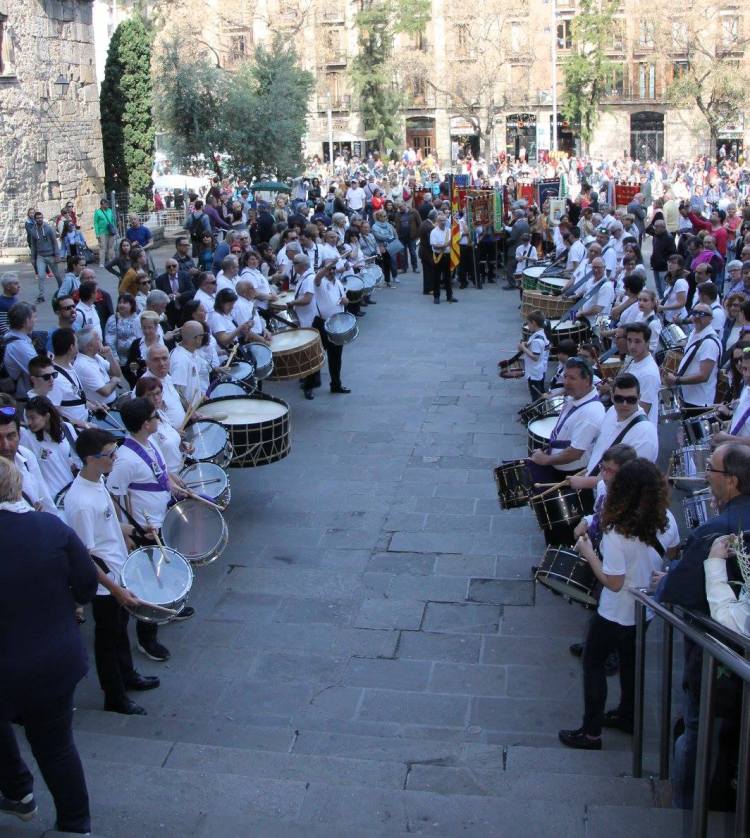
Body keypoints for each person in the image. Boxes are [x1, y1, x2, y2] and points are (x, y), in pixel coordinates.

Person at [0, 458, 97, 833]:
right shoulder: (48, 526)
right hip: (54, 660)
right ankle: (76, 823)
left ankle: (17, 787)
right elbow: (86, 583)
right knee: (56, 747)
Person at [658, 444, 750, 807]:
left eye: (710, 470)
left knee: (697, 727)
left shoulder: (717, 528)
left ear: (731, 481)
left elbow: (677, 589)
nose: (704, 475)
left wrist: (663, 584)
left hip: (716, 655)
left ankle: (686, 803)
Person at [559, 458, 670, 750]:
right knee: (630, 663)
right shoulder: (666, 519)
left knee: (593, 663)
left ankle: (591, 732)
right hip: (644, 608)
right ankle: (627, 716)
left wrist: (587, 552)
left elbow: (614, 582)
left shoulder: (617, 532)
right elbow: (671, 550)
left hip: (614, 611)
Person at [64, 428, 159, 717]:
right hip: (106, 585)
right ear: (91, 459)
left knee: (120, 631)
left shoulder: (98, 482)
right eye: (110, 455)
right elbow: (85, 556)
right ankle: (114, 696)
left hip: (118, 573)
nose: (115, 459)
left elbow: (109, 528)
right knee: (107, 639)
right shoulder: (80, 502)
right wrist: (115, 589)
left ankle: (128, 676)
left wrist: (136, 530)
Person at [107, 398, 192, 662]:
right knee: (148, 582)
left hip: (160, 517)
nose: (159, 418)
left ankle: (167, 606)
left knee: (162, 571)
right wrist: (126, 533)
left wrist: (176, 486)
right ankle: (147, 638)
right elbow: (113, 496)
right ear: (145, 423)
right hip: (143, 529)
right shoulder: (123, 460)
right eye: (155, 416)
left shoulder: (150, 441)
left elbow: (161, 474)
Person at [527, 356, 605, 484]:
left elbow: (575, 453)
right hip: (558, 468)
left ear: (587, 381)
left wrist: (546, 460)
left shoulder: (591, 412)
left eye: (572, 378)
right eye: (566, 376)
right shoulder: (576, 397)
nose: (566, 382)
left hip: (569, 476)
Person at [664, 303, 721, 416]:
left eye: (702, 314)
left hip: (699, 401)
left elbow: (703, 376)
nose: (697, 317)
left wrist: (677, 380)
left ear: (710, 318)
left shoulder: (709, 343)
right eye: (694, 313)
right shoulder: (694, 333)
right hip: (688, 398)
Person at [21, 396, 79, 500]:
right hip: (51, 499)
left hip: (72, 492)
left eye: (33, 417)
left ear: (47, 416)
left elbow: (78, 457)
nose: (29, 422)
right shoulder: (27, 436)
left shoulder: (67, 428)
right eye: (27, 418)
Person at [311, 260, 351, 395]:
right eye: (329, 269)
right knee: (315, 356)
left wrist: (346, 301)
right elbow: (317, 277)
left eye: (334, 268)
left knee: (336, 356)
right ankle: (309, 386)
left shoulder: (338, 283)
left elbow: (344, 299)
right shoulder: (319, 282)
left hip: (336, 323)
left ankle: (336, 384)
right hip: (321, 323)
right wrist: (327, 265)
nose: (332, 271)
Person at [73, 326, 123, 408]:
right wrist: (114, 381)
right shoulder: (83, 365)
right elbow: (105, 391)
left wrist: (110, 355)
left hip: (113, 403)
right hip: (102, 409)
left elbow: (117, 373)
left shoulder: (96, 356)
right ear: (90, 346)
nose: (101, 340)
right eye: (98, 339)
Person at [623, 323, 660, 424]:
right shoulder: (634, 360)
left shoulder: (649, 374)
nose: (632, 346)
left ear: (647, 343)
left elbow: (642, 411)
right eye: (629, 340)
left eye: (637, 341)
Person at [713, 348, 750, 446]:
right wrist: (730, 424)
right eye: (745, 369)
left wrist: (729, 438)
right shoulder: (746, 389)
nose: (747, 374)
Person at [2, 302, 38, 402]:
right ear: (25, 321)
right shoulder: (21, 346)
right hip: (21, 400)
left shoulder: (10, 336)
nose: (36, 320)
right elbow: (39, 372)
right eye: (34, 317)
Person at [28, 210, 63, 301]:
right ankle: (41, 295)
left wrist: (57, 255)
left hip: (51, 255)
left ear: (43, 218)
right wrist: (33, 258)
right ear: (35, 219)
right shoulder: (32, 231)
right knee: (41, 275)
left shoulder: (48, 228)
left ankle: (63, 290)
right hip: (41, 257)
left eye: (41, 218)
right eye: (37, 218)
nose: (39, 219)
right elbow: (33, 245)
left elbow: (55, 242)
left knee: (57, 275)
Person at [170, 321, 205, 409]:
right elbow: (177, 392)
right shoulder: (180, 359)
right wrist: (191, 413)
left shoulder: (190, 353)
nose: (203, 338)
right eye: (202, 335)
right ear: (196, 338)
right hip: (188, 415)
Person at [518, 310, 549, 400]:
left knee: (536, 396)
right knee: (540, 393)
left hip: (534, 372)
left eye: (529, 323)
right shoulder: (540, 335)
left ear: (534, 323)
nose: (528, 326)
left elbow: (535, 357)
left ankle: (538, 411)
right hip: (539, 370)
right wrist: (527, 344)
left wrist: (524, 348)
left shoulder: (537, 340)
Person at [104, 293, 141, 367]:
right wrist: (114, 358)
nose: (121, 305)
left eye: (124, 303)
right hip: (121, 360)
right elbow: (110, 341)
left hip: (136, 357)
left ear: (131, 305)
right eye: (120, 303)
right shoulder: (113, 319)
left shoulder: (138, 318)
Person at [429, 213, 456, 304]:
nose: (443, 222)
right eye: (441, 220)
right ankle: (436, 297)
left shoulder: (449, 231)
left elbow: (453, 243)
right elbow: (434, 245)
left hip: (447, 256)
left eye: (444, 220)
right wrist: (444, 245)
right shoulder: (434, 232)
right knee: (436, 277)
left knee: (448, 277)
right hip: (438, 256)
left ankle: (449, 296)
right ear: (437, 221)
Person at [93, 199, 116, 267]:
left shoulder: (110, 210)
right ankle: (102, 263)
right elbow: (96, 223)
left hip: (110, 231)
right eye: (105, 204)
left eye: (107, 204)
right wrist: (97, 234)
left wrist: (114, 229)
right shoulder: (98, 212)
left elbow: (112, 220)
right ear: (102, 204)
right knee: (102, 247)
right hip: (102, 232)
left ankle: (112, 261)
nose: (107, 205)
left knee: (111, 247)